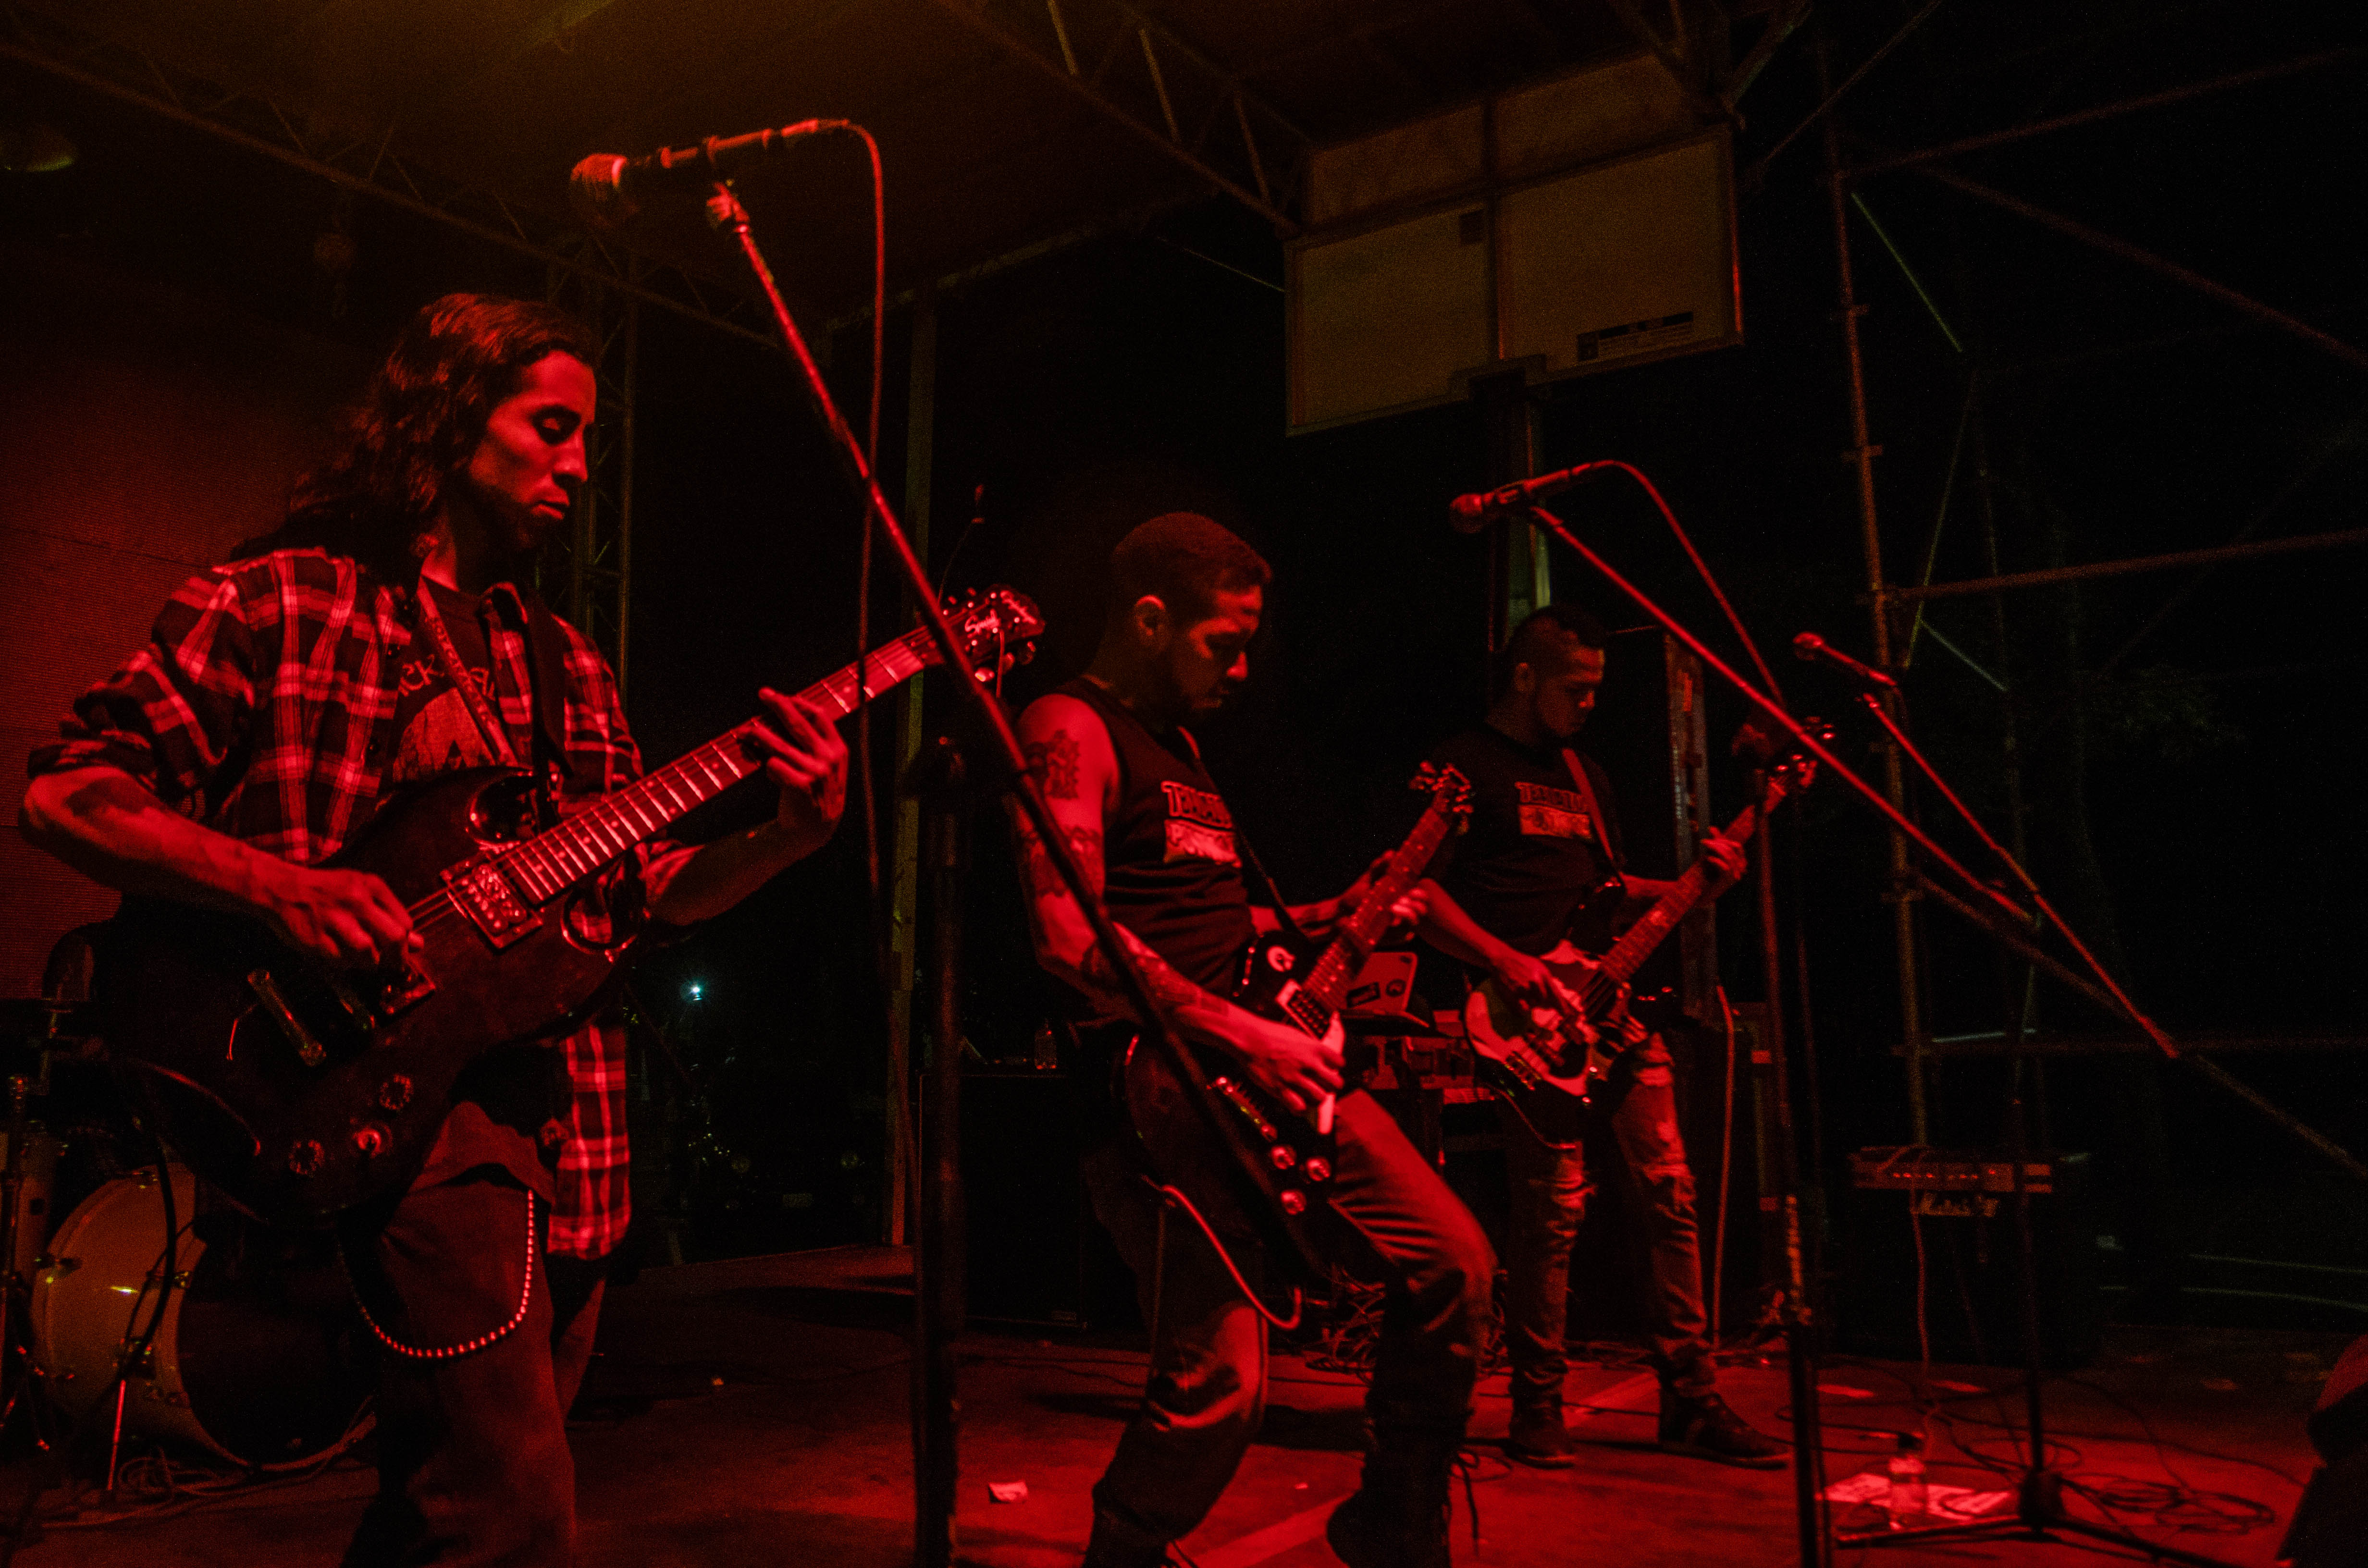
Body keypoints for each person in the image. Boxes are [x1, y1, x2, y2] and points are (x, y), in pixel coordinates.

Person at [20, 294, 850, 1566]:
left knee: (446, 1508)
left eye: (590, 439)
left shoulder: (567, 666)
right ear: (451, 417)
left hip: (572, 1129)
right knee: (511, 1518)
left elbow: (637, 897)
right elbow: (68, 793)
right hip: (382, 1105)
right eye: (554, 428)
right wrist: (278, 885)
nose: (581, 466)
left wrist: (784, 838)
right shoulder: (276, 602)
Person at [1011, 514, 1495, 1568]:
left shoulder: (1184, 750)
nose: (1239, 670)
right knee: (1220, 1384)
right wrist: (1244, 1034)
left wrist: (1326, 917)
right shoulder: (1068, 725)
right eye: (1222, 643)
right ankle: (1126, 1552)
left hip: (1261, 1065)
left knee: (1453, 1262)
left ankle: (1394, 1525)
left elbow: (1215, 929)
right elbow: (1066, 935)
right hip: (1159, 1093)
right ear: (1150, 620)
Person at [1412, 603, 1784, 1471]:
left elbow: (1608, 893)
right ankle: (1537, 1404)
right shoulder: (1463, 767)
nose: (1589, 705)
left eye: (1597, 690)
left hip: (1612, 1013)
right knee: (1554, 1211)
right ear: (1525, 677)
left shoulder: (1585, 774)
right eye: (1575, 689)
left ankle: (1691, 1397)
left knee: (1671, 1191)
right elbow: (1416, 894)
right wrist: (1504, 960)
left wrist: (1696, 882)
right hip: (1523, 1026)